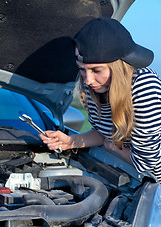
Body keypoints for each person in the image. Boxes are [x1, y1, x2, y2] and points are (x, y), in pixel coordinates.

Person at [39, 17, 161, 183]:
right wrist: (70, 141)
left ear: (118, 66)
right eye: (82, 70)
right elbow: (103, 133)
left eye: (96, 70)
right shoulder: (95, 85)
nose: (88, 79)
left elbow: (147, 162)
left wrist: (112, 147)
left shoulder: (143, 87)